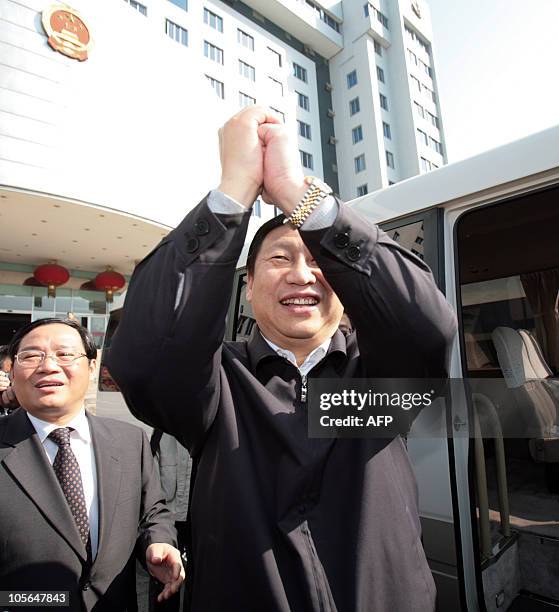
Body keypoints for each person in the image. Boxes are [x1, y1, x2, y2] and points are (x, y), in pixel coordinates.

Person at [109, 107, 457, 611]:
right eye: (279, 259)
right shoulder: (219, 382)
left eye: (318, 261)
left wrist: (300, 195)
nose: (301, 275)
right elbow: (146, 352)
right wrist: (232, 194)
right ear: (248, 289)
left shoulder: (376, 376)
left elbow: (427, 324)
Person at [0, 318, 185, 611]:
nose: (48, 366)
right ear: (11, 370)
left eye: (65, 354)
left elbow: (152, 512)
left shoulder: (130, 441)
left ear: (91, 366)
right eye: (32, 355)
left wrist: (159, 542)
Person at [148, 430, 192, 611]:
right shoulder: (161, 434)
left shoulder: (207, 430)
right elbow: (149, 483)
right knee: (165, 578)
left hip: (197, 519)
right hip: (167, 521)